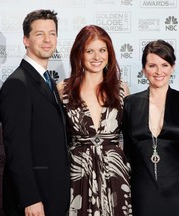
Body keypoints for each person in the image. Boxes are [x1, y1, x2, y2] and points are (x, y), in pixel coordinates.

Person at [0, 9, 70, 216]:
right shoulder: (17, 84)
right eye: (40, 34)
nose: (47, 40)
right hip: (35, 200)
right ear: (26, 40)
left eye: (52, 33)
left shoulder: (47, 80)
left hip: (53, 192)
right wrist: (30, 198)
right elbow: (16, 147)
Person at [57, 25, 132, 215]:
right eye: (89, 51)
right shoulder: (63, 90)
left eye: (102, 50)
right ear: (79, 54)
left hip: (115, 172)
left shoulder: (122, 89)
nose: (97, 57)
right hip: (77, 173)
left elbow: (132, 138)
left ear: (109, 53)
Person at [122, 39, 179, 216]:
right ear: (143, 69)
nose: (159, 71)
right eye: (152, 65)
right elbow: (128, 153)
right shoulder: (130, 104)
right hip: (143, 194)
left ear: (173, 67)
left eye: (164, 65)